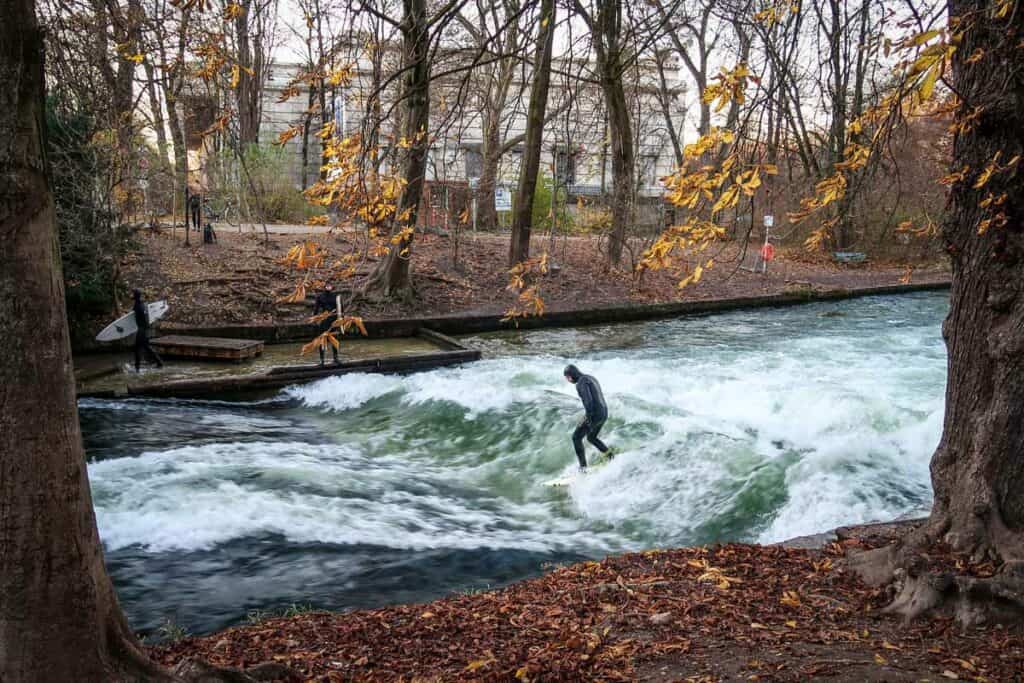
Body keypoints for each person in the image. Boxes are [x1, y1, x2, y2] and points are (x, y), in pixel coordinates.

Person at [563, 364, 613, 470]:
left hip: (594, 414)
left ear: (571, 375)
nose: (568, 380)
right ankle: (610, 456)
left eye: (567, 377)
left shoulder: (580, 382)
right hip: (604, 413)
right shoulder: (591, 378)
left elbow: (588, 400)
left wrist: (588, 417)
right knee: (591, 437)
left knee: (576, 437)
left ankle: (583, 468)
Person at [132, 289, 163, 372]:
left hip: (141, 329)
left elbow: (137, 315)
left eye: (133, 294)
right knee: (146, 347)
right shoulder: (142, 304)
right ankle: (159, 363)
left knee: (137, 348)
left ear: (135, 295)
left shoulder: (138, 305)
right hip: (144, 329)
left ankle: (137, 368)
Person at [313, 283, 340, 365]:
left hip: (334, 320)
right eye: (327, 286)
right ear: (324, 287)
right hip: (324, 320)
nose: (329, 287)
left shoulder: (336, 296)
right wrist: (315, 319)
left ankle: (335, 358)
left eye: (330, 285)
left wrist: (341, 318)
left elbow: (340, 308)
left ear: (332, 287)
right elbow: (316, 309)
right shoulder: (320, 297)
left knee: (334, 339)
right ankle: (322, 360)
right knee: (322, 339)